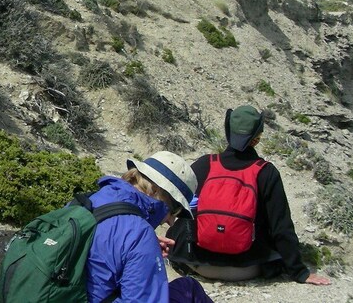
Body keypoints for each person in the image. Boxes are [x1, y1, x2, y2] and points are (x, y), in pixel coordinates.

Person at [167, 105, 331, 286]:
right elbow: (281, 227)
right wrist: (300, 272)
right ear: (257, 138)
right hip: (244, 269)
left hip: (198, 265)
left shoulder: (205, 164)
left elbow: (178, 206)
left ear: (228, 131)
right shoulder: (266, 172)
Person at [84, 151, 213, 303]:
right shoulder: (138, 235)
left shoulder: (90, 200)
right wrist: (144, 246)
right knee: (189, 289)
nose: (171, 222)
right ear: (157, 190)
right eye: (175, 209)